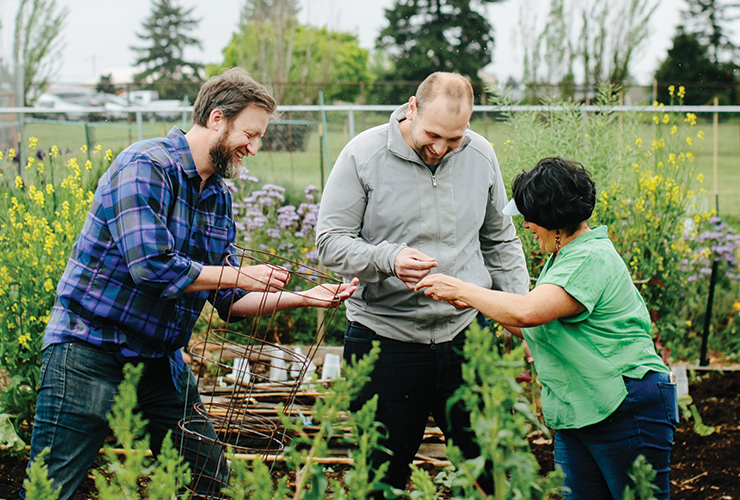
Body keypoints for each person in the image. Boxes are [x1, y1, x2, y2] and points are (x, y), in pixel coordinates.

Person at [22, 68, 357, 500]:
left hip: (159, 359)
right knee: (53, 487)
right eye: (250, 135)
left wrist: (305, 298)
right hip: (88, 348)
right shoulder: (146, 165)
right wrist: (240, 274)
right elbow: (152, 267)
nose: (253, 148)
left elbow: (230, 299)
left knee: (207, 473)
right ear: (217, 119)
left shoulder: (217, 195)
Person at [316, 71, 529, 494]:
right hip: (385, 341)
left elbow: (499, 238)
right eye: (433, 134)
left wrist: (520, 309)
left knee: (490, 469)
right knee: (382, 477)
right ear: (412, 108)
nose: (440, 148)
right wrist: (388, 258)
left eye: (455, 139)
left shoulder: (481, 155)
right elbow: (329, 243)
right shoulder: (363, 155)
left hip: (467, 336)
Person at [416, 157, 678, 499]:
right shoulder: (564, 258)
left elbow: (528, 312)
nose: (526, 226)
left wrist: (464, 290)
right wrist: (473, 299)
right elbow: (531, 327)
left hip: (625, 405)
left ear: (555, 221)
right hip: (580, 410)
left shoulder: (592, 257)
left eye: (531, 218)